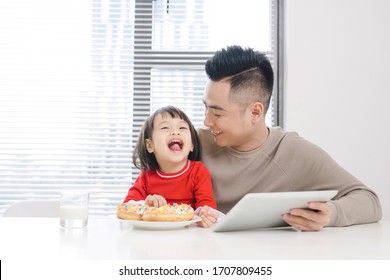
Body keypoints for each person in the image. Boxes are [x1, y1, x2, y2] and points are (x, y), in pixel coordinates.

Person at [199, 45, 382, 231]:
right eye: (205, 107)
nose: (206, 121)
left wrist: (330, 213)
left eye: (217, 113)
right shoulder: (190, 143)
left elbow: (369, 201)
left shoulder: (291, 152)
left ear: (255, 112)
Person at [123, 105, 218, 227]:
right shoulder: (146, 175)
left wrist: (205, 214)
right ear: (150, 146)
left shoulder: (198, 171)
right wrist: (145, 204)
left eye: (182, 127)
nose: (175, 132)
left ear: (192, 145)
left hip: (188, 235)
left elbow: (206, 203)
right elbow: (128, 205)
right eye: (165, 127)